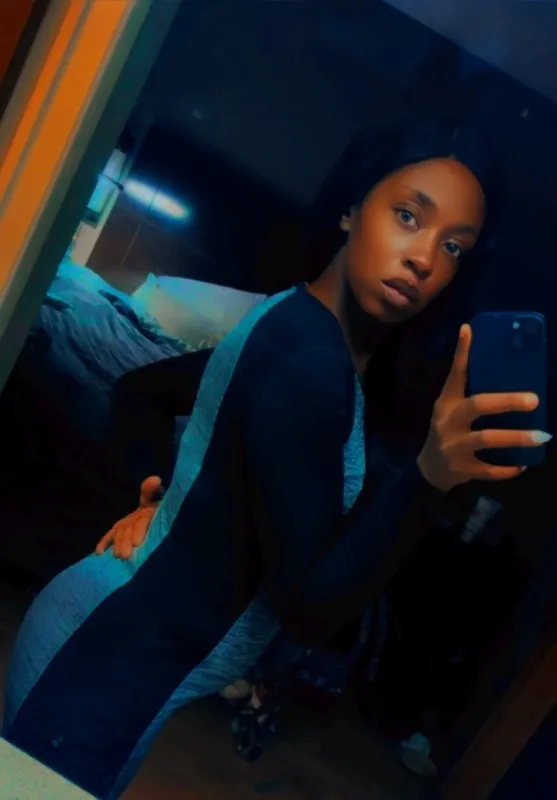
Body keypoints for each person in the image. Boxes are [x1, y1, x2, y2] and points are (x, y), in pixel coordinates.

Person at [2, 116, 546, 800]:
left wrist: (160, 494)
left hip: (123, 652)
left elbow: (153, 399)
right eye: (407, 215)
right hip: (105, 662)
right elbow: (309, 607)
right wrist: (428, 478)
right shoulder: (308, 362)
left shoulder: (298, 323)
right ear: (351, 208)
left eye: (454, 247)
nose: (424, 260)